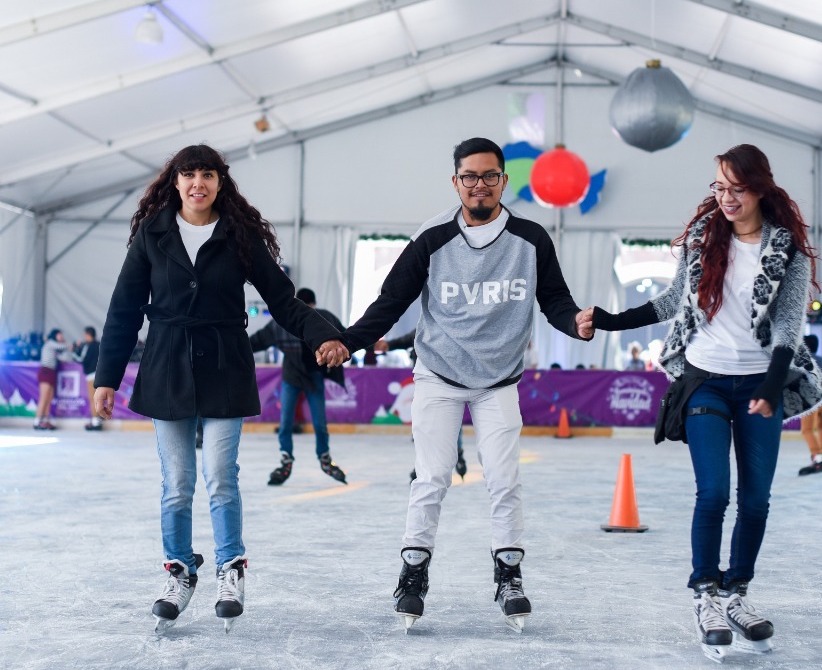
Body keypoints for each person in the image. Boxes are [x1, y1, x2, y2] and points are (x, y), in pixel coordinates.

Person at [332, 137, 594, 632]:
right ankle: (413, 572)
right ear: (455, 182)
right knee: (430, 477)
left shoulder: (532, 238)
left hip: (499, 381)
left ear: (503, 181)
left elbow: (555, 299)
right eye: (470, 176)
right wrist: (350, 341)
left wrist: (573, 322)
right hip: (439, 374)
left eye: (489, 176)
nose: (479, 185)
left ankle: (509, 574)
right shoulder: (432, 237)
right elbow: (391, 301)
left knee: (504, 478)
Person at [93, 145, 348, 633]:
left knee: (219, 475)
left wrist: (323, 332)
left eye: (207, 175)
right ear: (175, 181)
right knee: (177, 484)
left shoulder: (239, 235)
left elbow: (282, 300)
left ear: (220, 181)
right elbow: (124, 308)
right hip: (167, 364)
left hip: (226, 364)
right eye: (189, 175)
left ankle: (231, 568)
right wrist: (107, 376)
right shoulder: (153, 234)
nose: (197, 184)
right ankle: (178, 570)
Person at [591, 144, 822, 663]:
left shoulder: (786, 249)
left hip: (761, 382)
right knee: (714, 491)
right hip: (704, 382)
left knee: (757, 499)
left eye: (736, 188)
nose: (726, 198)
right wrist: (611, 320)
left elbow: (789, 323)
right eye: (718, 187)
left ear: (760, 188)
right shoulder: (702, 239)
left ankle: (737, 593)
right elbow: (674, 301)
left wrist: (771, 385)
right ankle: (706, 595)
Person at [249, 287, 348, 486]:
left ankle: (323, 457)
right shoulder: (284, 323)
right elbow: (257, 341)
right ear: (313, 304)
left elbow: (346, 337)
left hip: (313, 377)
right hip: (292, 377)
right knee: (287, 422)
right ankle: (288, 457)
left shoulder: (324, 319)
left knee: (317, 422)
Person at [374, 330, 467, 482]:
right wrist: (388, 344)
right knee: (426, 424)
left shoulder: (453, 324)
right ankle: (426, 464)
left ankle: (456, 453)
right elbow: (410, 337)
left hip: (447, 380)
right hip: (426, 380)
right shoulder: (428, 320)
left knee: (448, 420)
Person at [33, 328, 70, 430]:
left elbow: (65, 358)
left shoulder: (55, 349)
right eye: (59, 335)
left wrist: (65, 347)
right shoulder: (50, 343)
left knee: (49, 399)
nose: (61, 337)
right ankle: (37, 421)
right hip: (46, 371)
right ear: (54, 335)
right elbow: (63, 346)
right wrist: (68, 344)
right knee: (44, 398)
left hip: (52, 373)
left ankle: (45, 421)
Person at [798, 334, 822, 475]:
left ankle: (818, 458)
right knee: (820, 428)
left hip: (810, 401)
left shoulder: (802, 362)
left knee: (807, 430)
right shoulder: (821, 359)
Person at [73, 326, 102, 431]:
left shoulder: (87, 346)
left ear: (88, 335)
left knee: (93, 398)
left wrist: (75, 350)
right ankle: (98, 421)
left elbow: (80, 359)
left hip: (91, 375)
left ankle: (95, 422)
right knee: (99, 398)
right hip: (100, 375)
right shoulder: (100, 345)